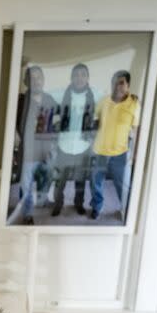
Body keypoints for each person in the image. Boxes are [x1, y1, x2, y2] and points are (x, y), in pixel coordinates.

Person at [89, 70, 140, 220]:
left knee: (123, 186)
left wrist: (136, 152)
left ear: (128, 85)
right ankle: (97, 207)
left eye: (122, 82)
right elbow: (94, 121)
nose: (118, 86)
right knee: (95, 183)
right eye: (115, 82)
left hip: (121, 154)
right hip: (99, 151)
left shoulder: (134, 104)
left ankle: (126, 210)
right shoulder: (103, 101)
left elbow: (137, 130)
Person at [14, 65, 58, 225]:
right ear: (26, 81)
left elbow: (56, 123)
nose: (37, 81)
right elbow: (13, 126)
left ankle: (44, 199)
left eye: (39, 77)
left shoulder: (50, 99)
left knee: (46, 178)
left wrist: (53, 146)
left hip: (46, 149)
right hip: (28, 151)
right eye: (32, 78)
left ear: (44, 80)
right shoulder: (20, 102)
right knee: (25, 184)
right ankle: (27, 213)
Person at [52, 63, 96, 216]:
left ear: (87, 78)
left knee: (80, 180)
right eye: (76, 75)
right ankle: (58, 204)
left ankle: (79, 203)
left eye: (83, 74)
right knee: (59, 180)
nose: (79, 78)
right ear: (71, 78)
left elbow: (108, 104)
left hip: (82, 146)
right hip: (64, 144)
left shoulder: (94, 95)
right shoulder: (61, 95)